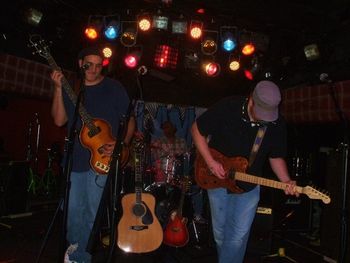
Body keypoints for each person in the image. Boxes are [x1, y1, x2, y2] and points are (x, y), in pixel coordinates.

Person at [191, 80, 299, 263]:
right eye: (262, 113)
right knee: (220, 234)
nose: (265, 119)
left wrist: (286, 180)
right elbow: (196, 129)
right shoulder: (228, 106)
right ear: (251, 100)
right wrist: (210, 162)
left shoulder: (276, 123)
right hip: (217, 180)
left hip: (249, 186)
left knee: (237, 238)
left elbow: (276, 157)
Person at [50, 46, 135, 263]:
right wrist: (59, 88)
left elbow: (130, 121)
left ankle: (80, 257)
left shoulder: (114, 88)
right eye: (90, 65)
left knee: (92, 213)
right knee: (71, 212)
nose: (94, 70)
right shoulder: (74, 91)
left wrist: (120, 144)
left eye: (99, 66)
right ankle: (75, 249)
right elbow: (59, 120)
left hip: (103, 159)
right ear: (81, 64)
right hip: (75, 161)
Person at [151, 121, 206, 224]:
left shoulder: (182, 142)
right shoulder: (157, 142)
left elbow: (187, 158)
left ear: (174, 129)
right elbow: (154, 158)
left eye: (169, 127)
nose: (166, 129)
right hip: (163, 175)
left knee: (196, 187)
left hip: (179, 175)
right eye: (165, 127)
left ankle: (195, 214)